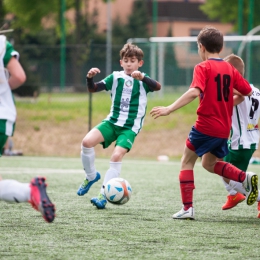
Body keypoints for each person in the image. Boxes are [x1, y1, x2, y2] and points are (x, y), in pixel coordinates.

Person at [150, 26, 258, 220]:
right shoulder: (230, 69)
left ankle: (188, 208)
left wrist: (168, 109)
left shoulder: (203, 67)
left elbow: (194, 92)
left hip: (206, 125)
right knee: (209, 163)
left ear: (201, 47)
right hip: (224, 129)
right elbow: (246, 92)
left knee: (186, 161)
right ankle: (246, 178)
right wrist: (225, 102)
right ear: (221, 47)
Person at [77, 43, 161, 209]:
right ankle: (91, 175)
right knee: (86, 142)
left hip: (130, 127)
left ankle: (102, 195)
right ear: (121, 62)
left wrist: (143, 78)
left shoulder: (143, 80)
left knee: (116, 156)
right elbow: (93, 89)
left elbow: (158, 87)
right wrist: (89, 78)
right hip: (112, 122)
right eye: (126, 60)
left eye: (133, 60)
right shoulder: (115, 77)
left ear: (140, 63)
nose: (129, 64)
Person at [0, 35, 55, 223]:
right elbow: (20, 77)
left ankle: (29, 191)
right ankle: (30, 193)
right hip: (4, 115)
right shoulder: (1, 43)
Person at [220, 54, 260, 218]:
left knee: (222, 168)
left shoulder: (237, 91)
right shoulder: (257, 91)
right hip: (249, 140)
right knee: (219, 163)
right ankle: (233, 194)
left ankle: (238, 194)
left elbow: (228, 100)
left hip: (240, 142)